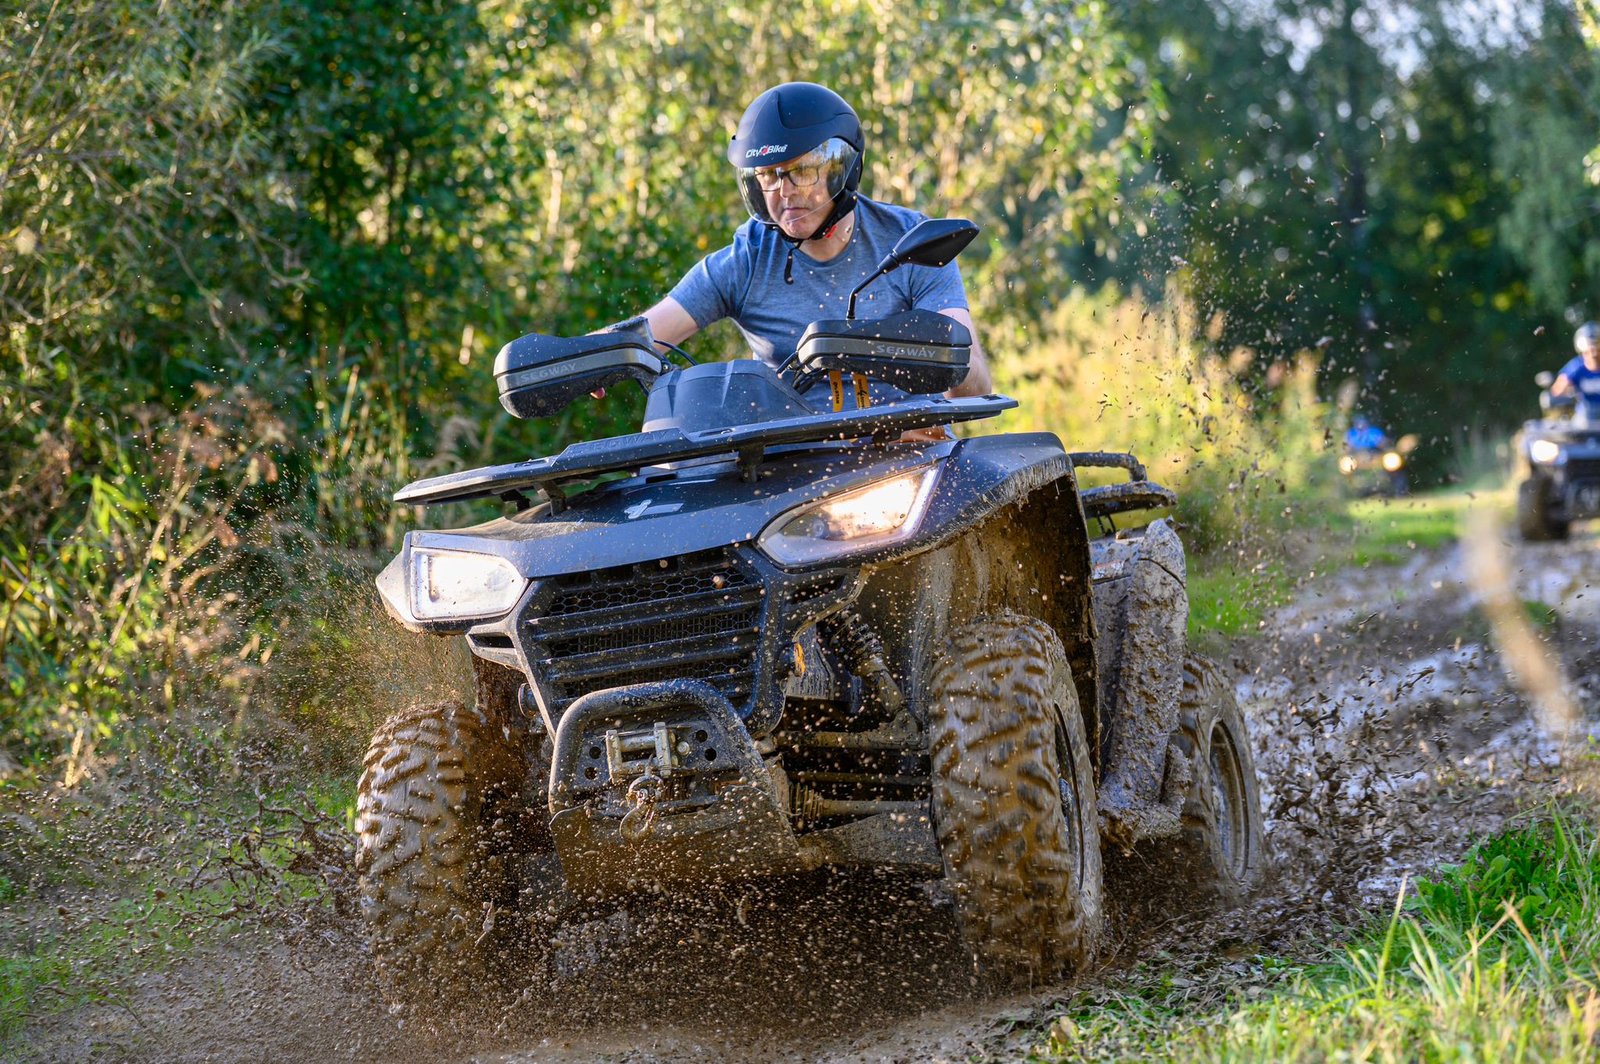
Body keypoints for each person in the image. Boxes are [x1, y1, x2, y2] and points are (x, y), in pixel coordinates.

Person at [639, 82, 992, 402]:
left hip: (910, 453)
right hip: (793, 460)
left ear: (843, 169)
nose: (784, 192)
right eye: (769, 176)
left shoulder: (911, 242)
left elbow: (973, 382)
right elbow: (643, 336)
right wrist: (594, 354)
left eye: (802, 171)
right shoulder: (747, 257)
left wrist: (891, 350)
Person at [1551, 321, 1600, 403]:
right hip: (1586, 412)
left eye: (1596, 344)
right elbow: (1557, 390)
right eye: (1588, 350)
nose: (1593, 352)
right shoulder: (1576, 366)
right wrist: (1569, 391)